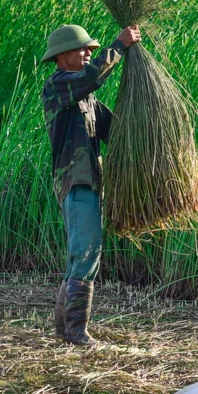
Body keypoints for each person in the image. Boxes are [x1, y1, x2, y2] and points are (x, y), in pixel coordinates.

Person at [41, 23, 140, 345]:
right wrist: (120, 46)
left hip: (90, 184)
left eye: (90, 50)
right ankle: (77, 333)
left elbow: (117, 132)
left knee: (79, 256)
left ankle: (63, 330)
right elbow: (91, 77)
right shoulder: (58, 86)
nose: (87, 54)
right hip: (76, 182)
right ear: (62, 56)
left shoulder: (87, 100)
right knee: (86, 254)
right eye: (82, 49)